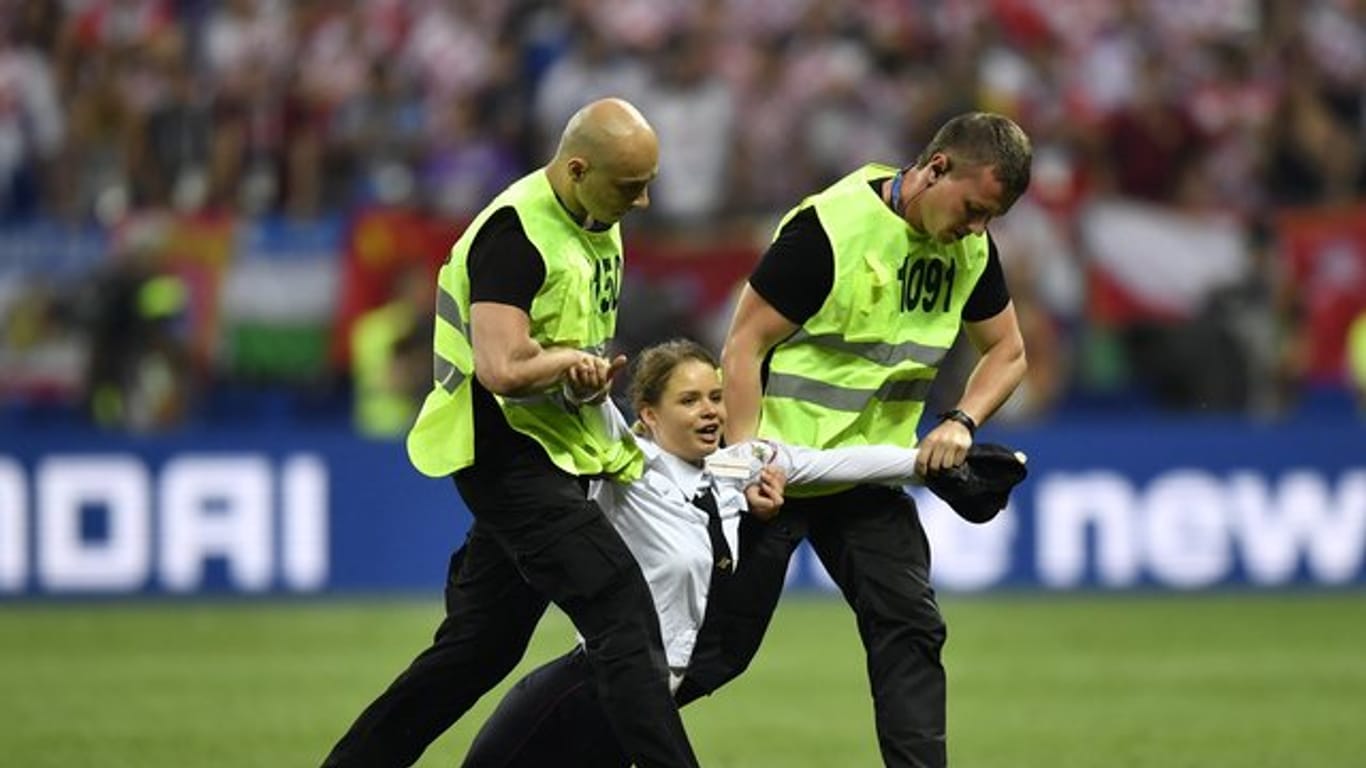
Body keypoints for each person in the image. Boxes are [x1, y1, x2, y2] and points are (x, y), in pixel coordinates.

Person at [321, 98, 703, 768]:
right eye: (629, 186)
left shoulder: (592, 214)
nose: (641, 203)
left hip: (553, 446)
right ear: (577, 168)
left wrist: (579, 379)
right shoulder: (515, 233)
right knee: (620, 607)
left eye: (647, 185)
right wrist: (565, 364)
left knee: (478, 650)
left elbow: (555, 347)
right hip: (506, 452)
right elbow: (500, 368)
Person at [461, 339, 1025, 767]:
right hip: (589, 687)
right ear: (650, 416)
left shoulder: (739, 465)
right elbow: (584, 405)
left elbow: (840, 464)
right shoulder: (625, 461)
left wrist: (936, 461)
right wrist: (580, 384)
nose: (710, 411)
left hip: (662, 689)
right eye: (689, 401)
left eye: (715, 396)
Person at [717, 111, 1033, 768]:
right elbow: (744, 344)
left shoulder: (969, 250)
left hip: (866, 474)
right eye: (974, 209)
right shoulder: (828, 231)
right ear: (936, 168)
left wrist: (961, 420)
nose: (977, 230)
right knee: (715, 653)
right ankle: (563, 736)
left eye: (991, 219)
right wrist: (743, 463)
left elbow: (1008, 353)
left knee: (911, 627)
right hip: (776, 473)